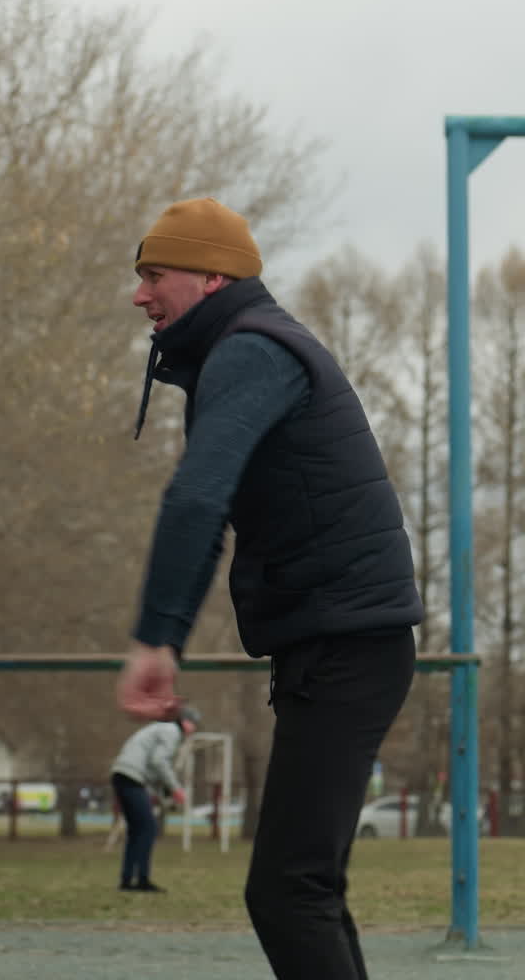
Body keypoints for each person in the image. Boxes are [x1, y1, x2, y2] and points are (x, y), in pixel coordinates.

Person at [116, 197, 423, 979]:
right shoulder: (246, 350)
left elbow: (196, 497)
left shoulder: (254, 351)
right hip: (337, 643)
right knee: (303, 887)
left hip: (347, 645)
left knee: (288, 890)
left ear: (213, 276)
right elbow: (212, 503)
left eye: (155, 274)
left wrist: (157, 637)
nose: (139, 293)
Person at [110, 706, 200, 891]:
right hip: (131, 777)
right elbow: (159, 761)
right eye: (193, 723)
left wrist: (163, 795)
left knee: (136, 830)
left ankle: (127, 880)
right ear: (184, 721)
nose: (194, 728)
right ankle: (142, 879)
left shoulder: (161, 729)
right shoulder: (172, 731)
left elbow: (152, 767)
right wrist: (176, 789)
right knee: (148, 829)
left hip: (123, 775)